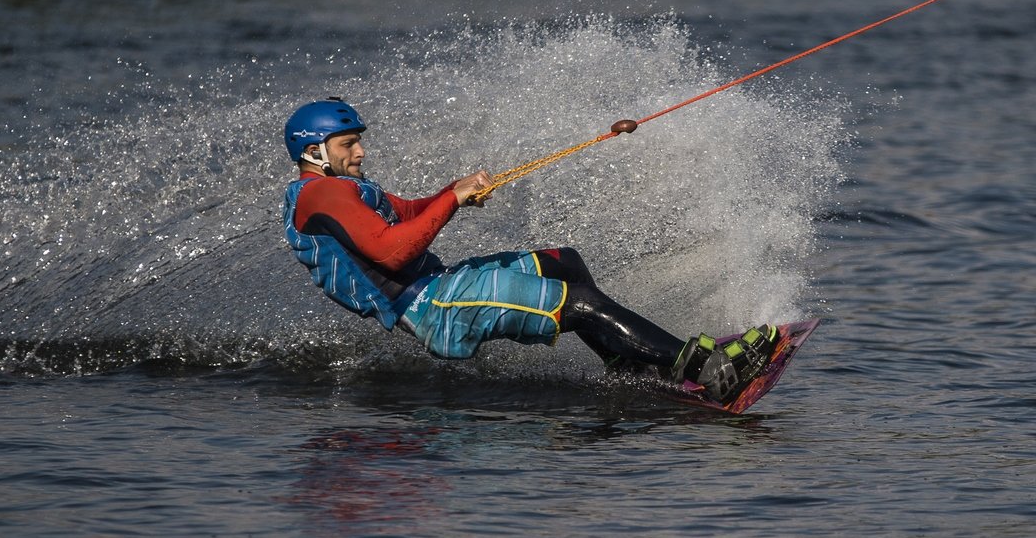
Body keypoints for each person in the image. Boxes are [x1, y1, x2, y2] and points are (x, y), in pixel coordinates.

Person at [280, 98, 777, 404]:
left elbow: (408, 214)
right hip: (433, 308)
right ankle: (708, 372)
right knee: (580, 306)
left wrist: (453, 191)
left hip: (440, 286)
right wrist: (452, 201)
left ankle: (632, 368)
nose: (360, 152)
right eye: (348, 145)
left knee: (564, 263)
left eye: (359, 142)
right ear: (315, 151)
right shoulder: (321, 193)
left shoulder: (343, 187)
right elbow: (391, 254)